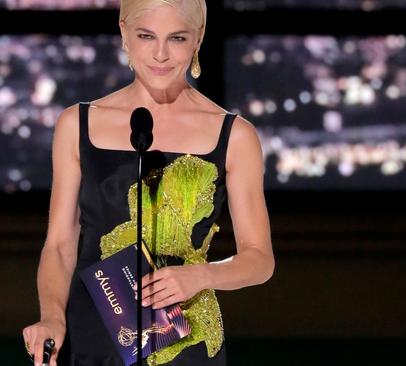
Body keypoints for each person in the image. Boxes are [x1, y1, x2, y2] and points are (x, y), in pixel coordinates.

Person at [22, 0, 275, 365]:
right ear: (124, 31)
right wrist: (51, 317)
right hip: (93, 339)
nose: (160, 54)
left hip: (184, 341)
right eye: (146, 36)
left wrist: (200, 276)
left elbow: (259, 260)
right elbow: (61, 246)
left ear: (198, 38)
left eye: (176, 38)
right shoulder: (75, 125)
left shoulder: (235, 136)